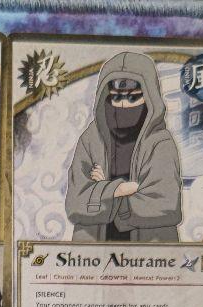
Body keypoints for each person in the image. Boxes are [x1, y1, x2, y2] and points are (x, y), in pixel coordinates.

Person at [64, 51, 182, 242]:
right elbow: (75, 205)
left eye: (133, 98)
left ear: (149, 97)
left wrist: (102, 191)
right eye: (116, 98)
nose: (123, 105)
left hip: (150, 253)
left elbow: (165, 206)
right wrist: (120, 189)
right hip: (92, 252)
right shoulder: (91, 139)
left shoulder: (160, 142)